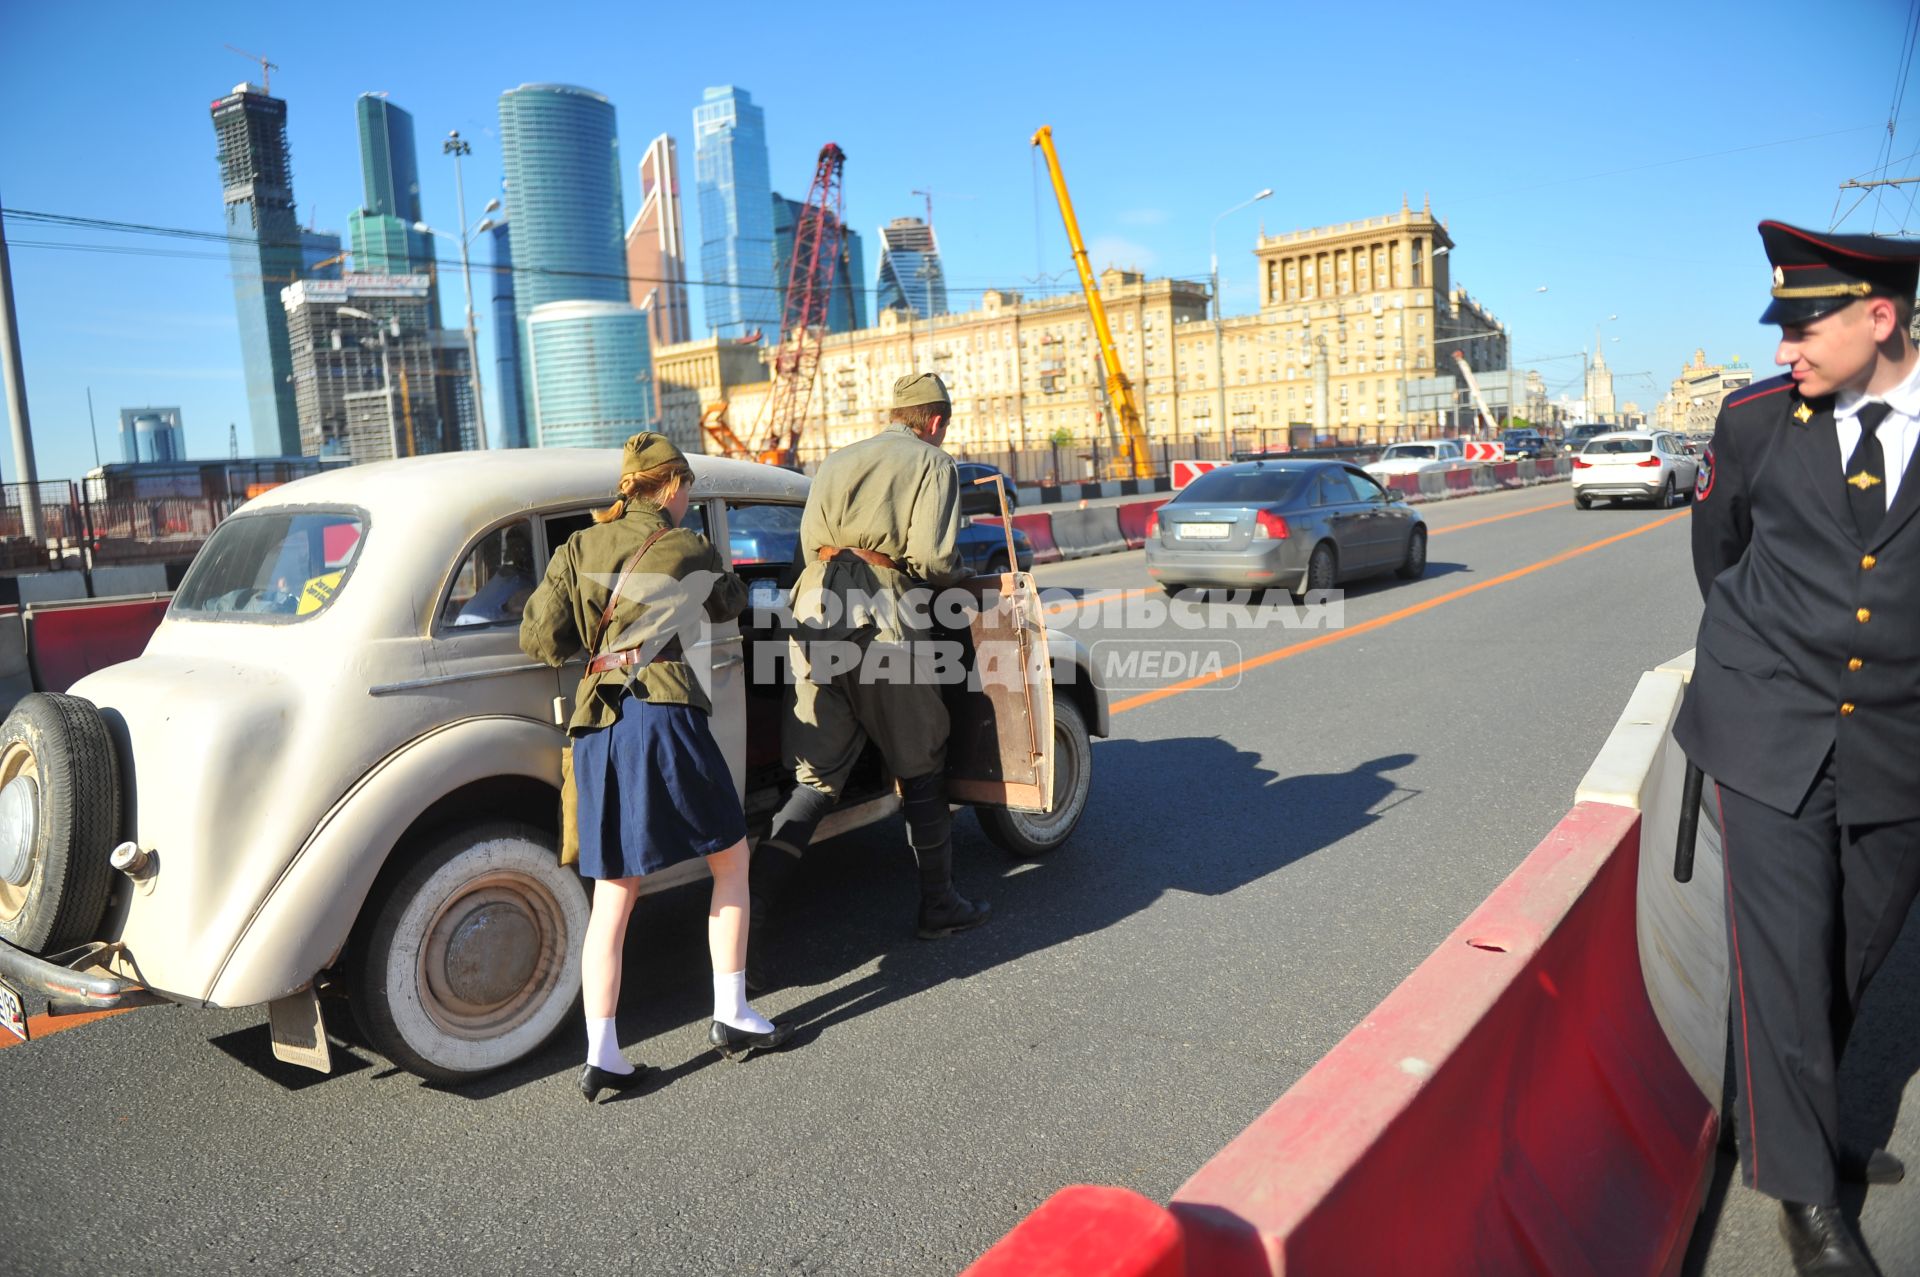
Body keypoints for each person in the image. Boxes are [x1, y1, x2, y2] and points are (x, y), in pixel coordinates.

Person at [1675, 220, 1920, 1277]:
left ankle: (1783, 1111)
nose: (1784, 347)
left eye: (1803, 324)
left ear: (1882, 316)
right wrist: (1758, 665)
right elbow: (1718, 549)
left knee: (1848, 955)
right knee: (1784, 949)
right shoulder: (1756, 423)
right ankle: (1807, 1200)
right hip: (1767, 717)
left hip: (1902, 739)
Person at [520, 432, 791, 1103]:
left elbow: (538, 637)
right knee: (730, 860)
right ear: (670, 486)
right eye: (687, 488)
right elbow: (730, 602)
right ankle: (731, 1011)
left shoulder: (575, 548)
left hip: (596, 726)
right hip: (662, 713)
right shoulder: (686, 543)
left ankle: (602, 1053)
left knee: (614, 892)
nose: (689, 498)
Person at [748, 372, 989, 990]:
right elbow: (933, 561)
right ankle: (940, 907)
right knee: (921, 760)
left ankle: (741, 924)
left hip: (815, 621)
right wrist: (962, 583)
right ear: (934, 422)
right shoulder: (933, 464)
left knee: (814, 781)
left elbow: (807, 548)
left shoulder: (836, 460)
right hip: (884, 620)